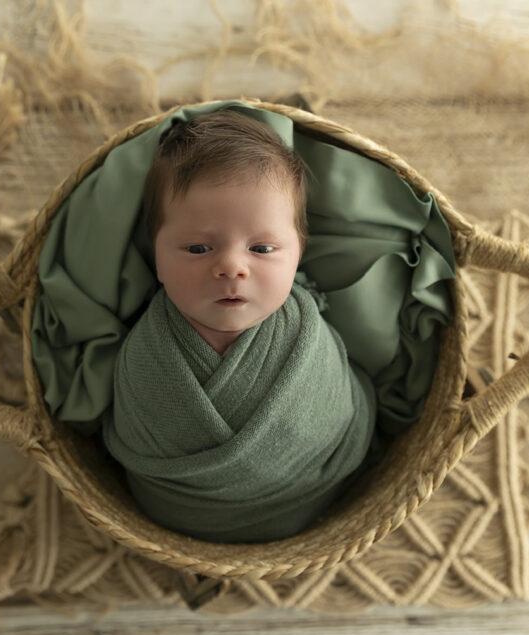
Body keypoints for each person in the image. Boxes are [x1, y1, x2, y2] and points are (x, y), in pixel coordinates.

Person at [101, 109, 380, 543]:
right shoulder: (146, 353)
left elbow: (339, 411)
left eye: (263, 248)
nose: (231, 266)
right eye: (197, 248)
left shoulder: (307, 336)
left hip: (311, 501)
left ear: (298, 255)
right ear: (155, 257)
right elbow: (131, 428)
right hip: (172, 514)